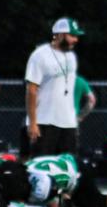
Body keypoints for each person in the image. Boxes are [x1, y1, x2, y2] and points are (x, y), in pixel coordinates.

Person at [24, 17, 82, 156]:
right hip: (45, 121)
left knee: (68, 167)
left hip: (67, 123)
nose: (76, 40)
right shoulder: (40, 55)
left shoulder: (71, 57)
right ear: (60, 35)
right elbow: (31, 90)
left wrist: (73, 121)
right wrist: (33, 123)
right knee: (42, 165)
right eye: (72, 35)